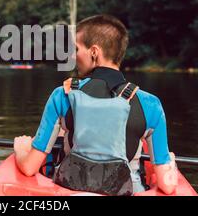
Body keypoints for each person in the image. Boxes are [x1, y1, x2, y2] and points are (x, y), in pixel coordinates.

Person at [13, 14, 178, 195]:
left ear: (94, 52)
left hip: (70, 188)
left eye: (76, 49)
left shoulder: (62, 95)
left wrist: (21, 150)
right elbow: (167, 186)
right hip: (127, 190)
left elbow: (29, 168)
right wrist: (170, 164)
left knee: (60, 133)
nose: (73, 56)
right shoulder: (151, 104)